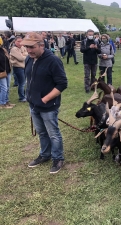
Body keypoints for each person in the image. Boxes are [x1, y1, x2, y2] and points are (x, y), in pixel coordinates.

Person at [21, 32, 68, 173]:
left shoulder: (53, 60)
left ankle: (58, 158)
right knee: (42, 132)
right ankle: (45, 155)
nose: (29, 50)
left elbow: (62, 84)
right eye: (27, 47)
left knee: (53, 133)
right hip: (33, 105)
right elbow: (29, 79)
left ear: (41, 45)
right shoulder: (29, 59)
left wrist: (45, 99)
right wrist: (30, 96)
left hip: (48, 106)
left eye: (32, 47)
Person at [9, 36, 28, 102]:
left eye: (21, 41)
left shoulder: (23, 47)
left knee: (25, 82)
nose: (20, 43)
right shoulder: (14, 49)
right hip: (18, 68)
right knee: (22, 83)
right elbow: (21, 58)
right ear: (15, 41)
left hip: (24, 67)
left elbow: (28, 54)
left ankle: (25, 95)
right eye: (18, 41)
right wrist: (23, 55)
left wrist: (23, 54)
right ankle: (21, 97)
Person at [0, 44, 14, 109]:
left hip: (7, 71)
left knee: (7, 87)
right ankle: (2, 103)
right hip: (1, 72)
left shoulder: (3, 50)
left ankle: (6, 101)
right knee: (4, 88)